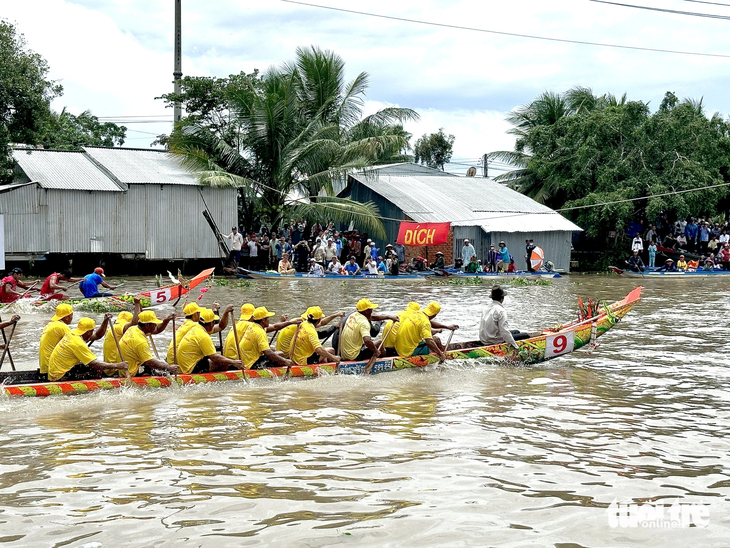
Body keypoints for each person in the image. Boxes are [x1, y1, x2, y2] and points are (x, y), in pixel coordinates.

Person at [48, 318, 128, 382]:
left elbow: (97, 335)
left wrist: (105, 321)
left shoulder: (73, 334)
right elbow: (95, 364)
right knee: (97, 369)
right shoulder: (78, 344)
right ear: (89, 332)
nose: (93, 333)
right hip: (60, 376)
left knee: (95, 366)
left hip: (55, 372)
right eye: (92, 331)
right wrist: (118, 365)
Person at [176, 308, 243, 374]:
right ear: (211, 323)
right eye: (214, 322)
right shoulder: (203, 336)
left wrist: (226, 313)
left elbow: (221, 326)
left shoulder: (197, 327)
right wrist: (234, 362)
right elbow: (214, 357)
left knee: (220, 359)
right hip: (191, 368)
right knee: (223, 363)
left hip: (186, 364)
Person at [119, 310, 178, 376]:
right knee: (163, 370)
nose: (156, 326)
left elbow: (158, 329)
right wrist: (169, 368)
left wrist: (166, 320)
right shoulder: (140, 341)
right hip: (130, 372)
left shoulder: (133, 328)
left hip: (124, 368)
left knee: (161, 364)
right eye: (154, 324)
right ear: (147, 325)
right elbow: (149, 362)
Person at [479, 285, 529, 354]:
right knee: (525, 335)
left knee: (516, 332)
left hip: (485, 340)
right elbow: (504, 331)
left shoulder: (486, 309)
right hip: (494, 341)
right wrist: (515, 346)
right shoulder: (500, 311)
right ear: (502, 298)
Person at [277, 307, 341, 356]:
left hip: (283, 351)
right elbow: (321, 335)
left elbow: (321, 323)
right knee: (331, 351)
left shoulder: (300, 321)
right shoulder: (305, 327)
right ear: (318, 319)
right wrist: (334, 327)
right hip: (288, 355)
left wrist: (335, 315)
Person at [38, 303, 74, 378]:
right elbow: (75, 344)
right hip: (53, 369)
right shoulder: (62, 327)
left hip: (45, 368)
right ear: (67, 317)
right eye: (71, 315)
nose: (72, 318)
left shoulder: (50, 325)